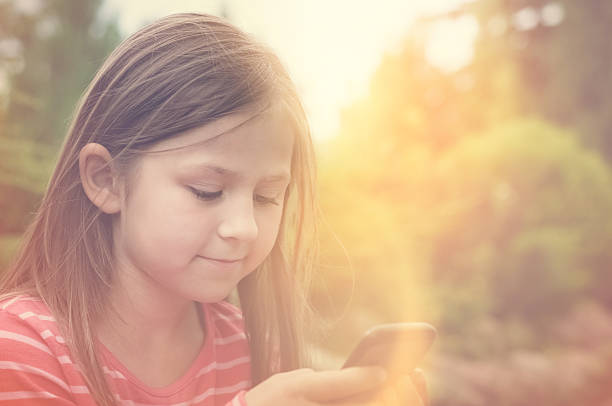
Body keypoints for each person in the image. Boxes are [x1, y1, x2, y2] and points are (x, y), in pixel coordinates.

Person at [0, 13, 427, 406]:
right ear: (105, 180)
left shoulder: (256, 353)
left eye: (265, 197)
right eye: (206, 191)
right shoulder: (23, 348)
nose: (244, 228)